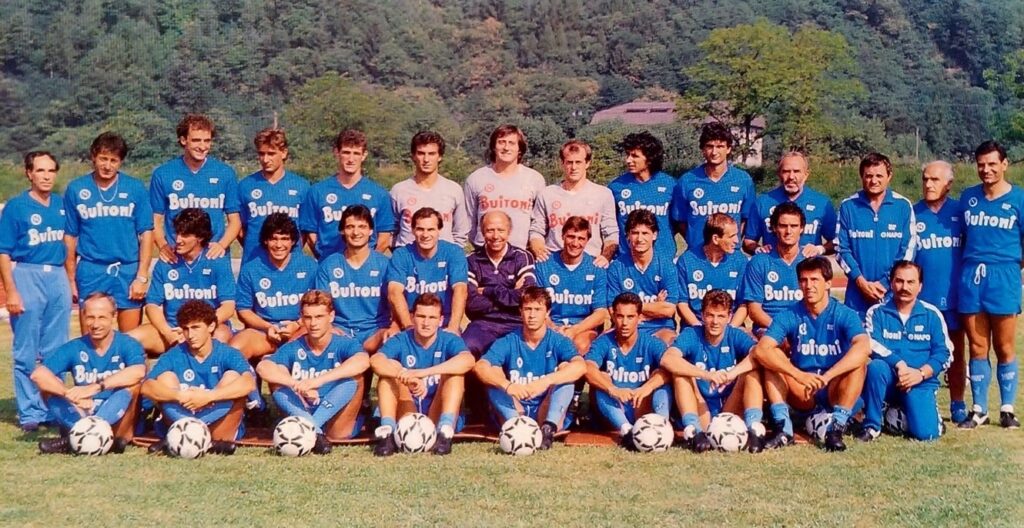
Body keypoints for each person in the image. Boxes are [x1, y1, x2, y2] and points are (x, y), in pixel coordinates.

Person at [751, 257, 870, 452]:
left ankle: (836, 428)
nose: (809, 286)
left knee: (859, 362)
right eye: (804, 280)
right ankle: (784, 429)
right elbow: (762, 349)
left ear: (828, 283)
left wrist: (828, 376)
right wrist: (799, 375)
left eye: (815, 280)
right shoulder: (790, 314)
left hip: (833, 387)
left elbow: (864, 346)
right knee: (771, 357)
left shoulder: (844, 313)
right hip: (803, 388)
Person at [0, 151, 72, 431]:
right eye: (40, 170)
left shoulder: (62, 204)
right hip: (27, 273)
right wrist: (11, 291)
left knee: (56, 348)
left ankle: (53, 407)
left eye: (51, 170)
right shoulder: (16, 207)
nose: (46, 176)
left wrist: (70, 279)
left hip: (56, 274)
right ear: (29, 173)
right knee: (27, 348)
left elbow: (70, 243)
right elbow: (4, 252)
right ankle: (30, 411)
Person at [958, 140, 1024, 429]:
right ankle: (979, 409)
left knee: (1004, 345)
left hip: (1004, 274)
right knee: (977, 345)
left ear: (1004, 164)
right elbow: (961, 237)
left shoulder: (1019, 199)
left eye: (992, 164)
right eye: (981, 165)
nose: (986, 170)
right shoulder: (968, 197)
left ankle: (1007, 409)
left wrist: (1011, 268)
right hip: (972, 275)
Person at [256, 290, 370, 453]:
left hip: (334, 409)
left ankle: (309, 427)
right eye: (308, 317)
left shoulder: (343, 343)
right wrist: (297, 384)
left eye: (319, 317)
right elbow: (263, 367)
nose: (313, 323)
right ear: (302, 319)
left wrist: (316, 381)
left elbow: (363, 361)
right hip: (302, 407)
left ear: (331, 316)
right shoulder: (295, 345)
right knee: (277, 380)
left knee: (354, 379)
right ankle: (315, 430)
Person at [32, 293, 146, 454]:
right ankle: (87, 436)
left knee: (133, 386)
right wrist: (68, 394)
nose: (95, 324)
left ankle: (77, 439)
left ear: (113, 317)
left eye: (102, 317)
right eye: (90, 317)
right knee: (47, 389)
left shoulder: (127, 343)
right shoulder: (75, 346)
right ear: (84, 317)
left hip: (115, 412)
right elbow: (38, 375)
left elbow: (138, 371)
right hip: (82, 410)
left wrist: (96, 387)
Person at [475, 287, 586, 449]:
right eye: (527, 309)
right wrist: (508, 385)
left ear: (547, 313)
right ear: (520, 311)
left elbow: (581, 366)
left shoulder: (558, 341)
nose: (532, 315)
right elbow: (480, 367)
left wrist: (545, 382)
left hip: (544, 407)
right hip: (516, 406)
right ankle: (517, 425)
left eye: (538, 309)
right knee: (493, 377)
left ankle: (548, 429)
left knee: (566, 374)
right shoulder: (509, 340)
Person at [63, 132, 153, 331]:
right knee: (92, 336)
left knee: (130, 338)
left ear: (120, 162)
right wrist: (70, 278)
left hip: (127, 269)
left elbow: (146, 233)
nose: (107, 165)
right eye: (103, 158)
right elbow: (70, 236)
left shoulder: (135, 188)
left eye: (114, 160)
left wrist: (142, 276)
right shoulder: (76, 189)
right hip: (92, 269)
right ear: (93, 157)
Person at [142, 300, 255, 455]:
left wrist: (209, 397)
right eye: (185, 329)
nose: (190, 335)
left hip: (217, 422)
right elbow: (147, 386)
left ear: (211, 326)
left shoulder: (228, 353)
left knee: (233, 377)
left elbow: (249, 383)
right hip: (183, 415)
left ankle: (183, 439)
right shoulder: (174, 354)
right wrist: (179, 396)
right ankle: (201, 441)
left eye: (196, 328)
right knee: (165, 378)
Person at [370, 293, 476, 456]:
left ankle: (444, 433)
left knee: (455, 374)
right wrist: (405, 375)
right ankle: (387, 434)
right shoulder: (401, 339)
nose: (426, 323)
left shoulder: (448, 339)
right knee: (387, 375)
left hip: (436, 411)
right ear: (412, 317)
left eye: (432, 318)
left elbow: (468, 360)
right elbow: (376, 361)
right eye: (421, 316)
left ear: (441, 320)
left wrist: (423, 373)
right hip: (407, 412)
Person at [661, 290, 764, 453]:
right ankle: (694, 432)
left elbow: (761, 354)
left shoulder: (735, 334)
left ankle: (754, 429)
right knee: (680, 375)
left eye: (721, 316)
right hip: (701, 407)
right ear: (702, 315)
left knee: (752, 373)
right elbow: (667, 359)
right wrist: (707, 375)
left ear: (729, 317)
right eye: (710, 315)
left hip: (730, 407)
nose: (715, 321)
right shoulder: (692, 334)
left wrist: (733, 373)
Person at [860, 261, 951, 441]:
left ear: (920, 286)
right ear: (891, 283)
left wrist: (920, 374)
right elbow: (871, 344)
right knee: (876, 367)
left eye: (911, 282)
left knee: (927, 434)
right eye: (899, 281)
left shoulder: (932, 314)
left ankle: (907, 413)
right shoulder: (877, 312)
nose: (904, 287)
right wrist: (899, 364)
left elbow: (944, 353)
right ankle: (872, 426)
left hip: (919, 381)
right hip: (889, 378)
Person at [127, 208, 236, 356]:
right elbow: (152, 305)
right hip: (173, 329)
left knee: (222, 335)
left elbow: (228, 307)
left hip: (205, 329)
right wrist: (167, 332)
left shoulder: (217, 262)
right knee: (129, 339)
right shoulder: (166, 261)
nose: (178, 240)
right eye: (177, 233)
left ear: (200, 237)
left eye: (184, 235)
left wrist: (197, 329)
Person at [912, 160, 967, 424]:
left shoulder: (961, 212)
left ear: (949, 184)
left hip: (956, 297)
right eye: (925, 179)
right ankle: (922, 401)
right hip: (923, 300)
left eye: (935, 179)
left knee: (956, 353)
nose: (929, 184)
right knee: (921, 353)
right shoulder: (913, 213)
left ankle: (958, 403)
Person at [584, 293, 672, 450]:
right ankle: (627, 432)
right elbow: (588, 368)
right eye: (620, 316)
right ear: (613, 316)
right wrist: (613, 389)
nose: (624, 323)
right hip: (614, 409)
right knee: (601, 378)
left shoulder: (652, 342)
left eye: (630, 317)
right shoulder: (604, 341)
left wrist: (647, 387)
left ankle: (662, 425)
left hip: (641, 406)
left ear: (640, 318)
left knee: (660, 378)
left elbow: (669, 368)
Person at [150, 114, 240, 263]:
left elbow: (235, 221)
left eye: (207, 141)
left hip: (213, 258)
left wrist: (222, 245)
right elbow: (154, 220)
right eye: (196, 140)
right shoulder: (163, 174)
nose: (202, 146)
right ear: (183, 140)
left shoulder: (225, 173)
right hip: (177, 259)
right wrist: (163, 246)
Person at [837, 152, 916, 318]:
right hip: (856, 296)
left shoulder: (903, 206)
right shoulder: (848, 206)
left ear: (889, 176)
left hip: (892, 295)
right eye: (868, 176)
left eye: (879, 176)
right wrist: (860, 281)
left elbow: (908, 250)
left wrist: (886, 283)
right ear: (861, 177)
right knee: (857, 335)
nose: (874, 181)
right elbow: (841, 248)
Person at [229, 213, 316, 362]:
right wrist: (267, 327)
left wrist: (297, 324)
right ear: (265, 240)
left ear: (293, 241)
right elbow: (243, 309)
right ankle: (244, 376)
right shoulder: (251, 269)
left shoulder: (309, 266)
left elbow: (320, 306)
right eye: (274, 239)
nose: (279, 245)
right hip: (265, 332)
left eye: (284, 239)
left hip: (300, 330)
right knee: (236, 349)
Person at [299, 129, 395, 259]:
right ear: (336, 152)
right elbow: (311, 234)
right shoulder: (317, 191)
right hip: (328, 263)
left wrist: (367, 263)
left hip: (366, 266)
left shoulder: (379, 194)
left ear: (364, 155)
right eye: (346, 152)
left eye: (356, 153)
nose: (351, 159)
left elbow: (384, 238)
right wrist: (327, 260)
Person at [528, 139, 618, 266]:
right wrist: (539, 250)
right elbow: (536, 230)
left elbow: (611, 233)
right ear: (562, 163)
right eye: (569, 162)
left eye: (578, 162)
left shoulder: (603, 194)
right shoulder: (547, 194)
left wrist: (605, 257)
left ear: (587, 163)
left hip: (590, 263)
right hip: (555, 263)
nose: (574, 167)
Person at [315, 205, 391, 352]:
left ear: (371, 231)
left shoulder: (385, 264)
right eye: (350, 227)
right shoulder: (329, 265)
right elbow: (321, 305)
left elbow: (395, 302)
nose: (356, 232)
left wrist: (392, 328)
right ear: (342, 230)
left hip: (375, 331)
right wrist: (329, 328)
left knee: (391, 342)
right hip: (340, 331)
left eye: (362, 226)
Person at [672, 122, 756, 251]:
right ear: (703, 149)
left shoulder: (743, 180)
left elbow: (746, 218)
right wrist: (695, 242)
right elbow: (680, 221)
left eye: (720, 146)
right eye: (709, 146)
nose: (714, 152)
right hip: (698, 254)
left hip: (730, 255)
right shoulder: (686, 181)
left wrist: (732, 241)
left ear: (728, 149)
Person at [463, 211, 537, 357]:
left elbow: (526, 298)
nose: (496, 236)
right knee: (465, 348)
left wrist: (489, 291)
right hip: (483, 323)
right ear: (482, 232)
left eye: (501, 230)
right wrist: (510, 296)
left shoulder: (522, 257)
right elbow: (472, 304)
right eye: (490, 230)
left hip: (516, 322)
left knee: (525, 353)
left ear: (509, 231)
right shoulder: (471, 260)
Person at [386, 207, 468, 335]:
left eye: (430, 229)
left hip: (444, 322)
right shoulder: (401, 254)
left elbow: (460, 290)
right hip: (412, 322)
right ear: (413, 230)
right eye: (420, 229)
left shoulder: (453, 252)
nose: (425, 235)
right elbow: (394, 292)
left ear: (439, 230)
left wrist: (453, 327)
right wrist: (408, 327)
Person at [464, 124, 546, 249]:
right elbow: (469, 222)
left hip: (522, 252)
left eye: (511, 143)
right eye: (501, 142)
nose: (506, 148)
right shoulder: (476, 179)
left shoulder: (535, 179)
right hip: (485, 253)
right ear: (493, 147)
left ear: (519, 149)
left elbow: (539, 220)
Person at [607, 209, 680, 345]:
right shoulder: (616, 267)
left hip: (660, 328)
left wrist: (630, 310)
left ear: (654, 235)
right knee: (599, 344)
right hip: (625, 329)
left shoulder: (667, 266)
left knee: (671, 343)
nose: (640, 239)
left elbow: (668, 310)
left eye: (645, 233)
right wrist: (655, 306)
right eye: (635, 233)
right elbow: (613, 310)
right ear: (628, 236)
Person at [742, 151, 836, 257]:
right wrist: (758, 249)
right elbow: (748, 241)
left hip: (809, 265)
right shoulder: (762, 202)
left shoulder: (822, 203)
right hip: (773, 265)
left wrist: (820, 249)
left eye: (796, 171)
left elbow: (836, 242)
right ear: (779, 174)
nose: (791, 177)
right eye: (786, 171)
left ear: (806, 175)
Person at [237, 128, 309, 263]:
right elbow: (239, 229)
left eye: (271, 154)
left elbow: (305, 230)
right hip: (254, 261)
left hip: (290, 263)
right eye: (261, 154)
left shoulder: (301, 186)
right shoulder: (245, 186)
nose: (265, 159)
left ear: (283, 153)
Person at [391, 131, 470, 247]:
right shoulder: (398, 190)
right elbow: (390, 232)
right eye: (421, 153)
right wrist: (400, 253)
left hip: (444, 256)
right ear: (413, 156)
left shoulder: (454, 190)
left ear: (440, 156)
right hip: (408, 256)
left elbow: (461, 232)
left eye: (432, 154)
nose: (426, 159)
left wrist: (451, 254)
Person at [607, 131, 676, 260]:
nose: (628, 160)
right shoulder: (616, 187)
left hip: (663, 259)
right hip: (627, 260)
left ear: (649, 159)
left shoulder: (669, 184)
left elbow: (678, 222)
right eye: (627, 155)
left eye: (634, 156)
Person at [739, 202, 807, 333]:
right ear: (774, 228)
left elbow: (820, 307)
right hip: (768, 328)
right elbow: (754, 310)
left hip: (803, 330)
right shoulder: (759, 262)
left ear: (802, 228)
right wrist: (780, 330)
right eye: (783, 226)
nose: (788, 231)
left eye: (794, 226)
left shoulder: (811, 262)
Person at [675, 213, 748, 327]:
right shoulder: (687, 260)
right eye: (731, 236)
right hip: (696, 327)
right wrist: (699, 328)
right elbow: (682, 303)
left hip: (731, 326)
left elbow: (744, 305)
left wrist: (730, 329)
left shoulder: (740, 261)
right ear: (715, 239)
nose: (737, 241)